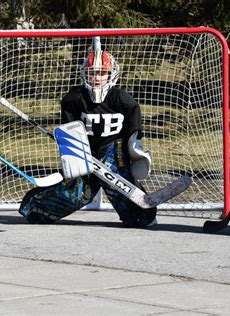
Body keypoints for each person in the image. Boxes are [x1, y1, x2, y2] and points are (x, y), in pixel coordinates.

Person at [18, 45, 157, 227]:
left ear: (111, 74)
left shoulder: (122, 98)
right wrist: (74, 150)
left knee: (115, 179)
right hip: (85, 147)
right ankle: (36, 208)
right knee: (81, 190)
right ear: (85, 73)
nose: (97, 78)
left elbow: (134, 123)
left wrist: (134, 146)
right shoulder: (74, 98)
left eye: (102, 73)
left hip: (113, 145)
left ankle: (140, 216)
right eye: (93, 73)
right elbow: (69, 129)